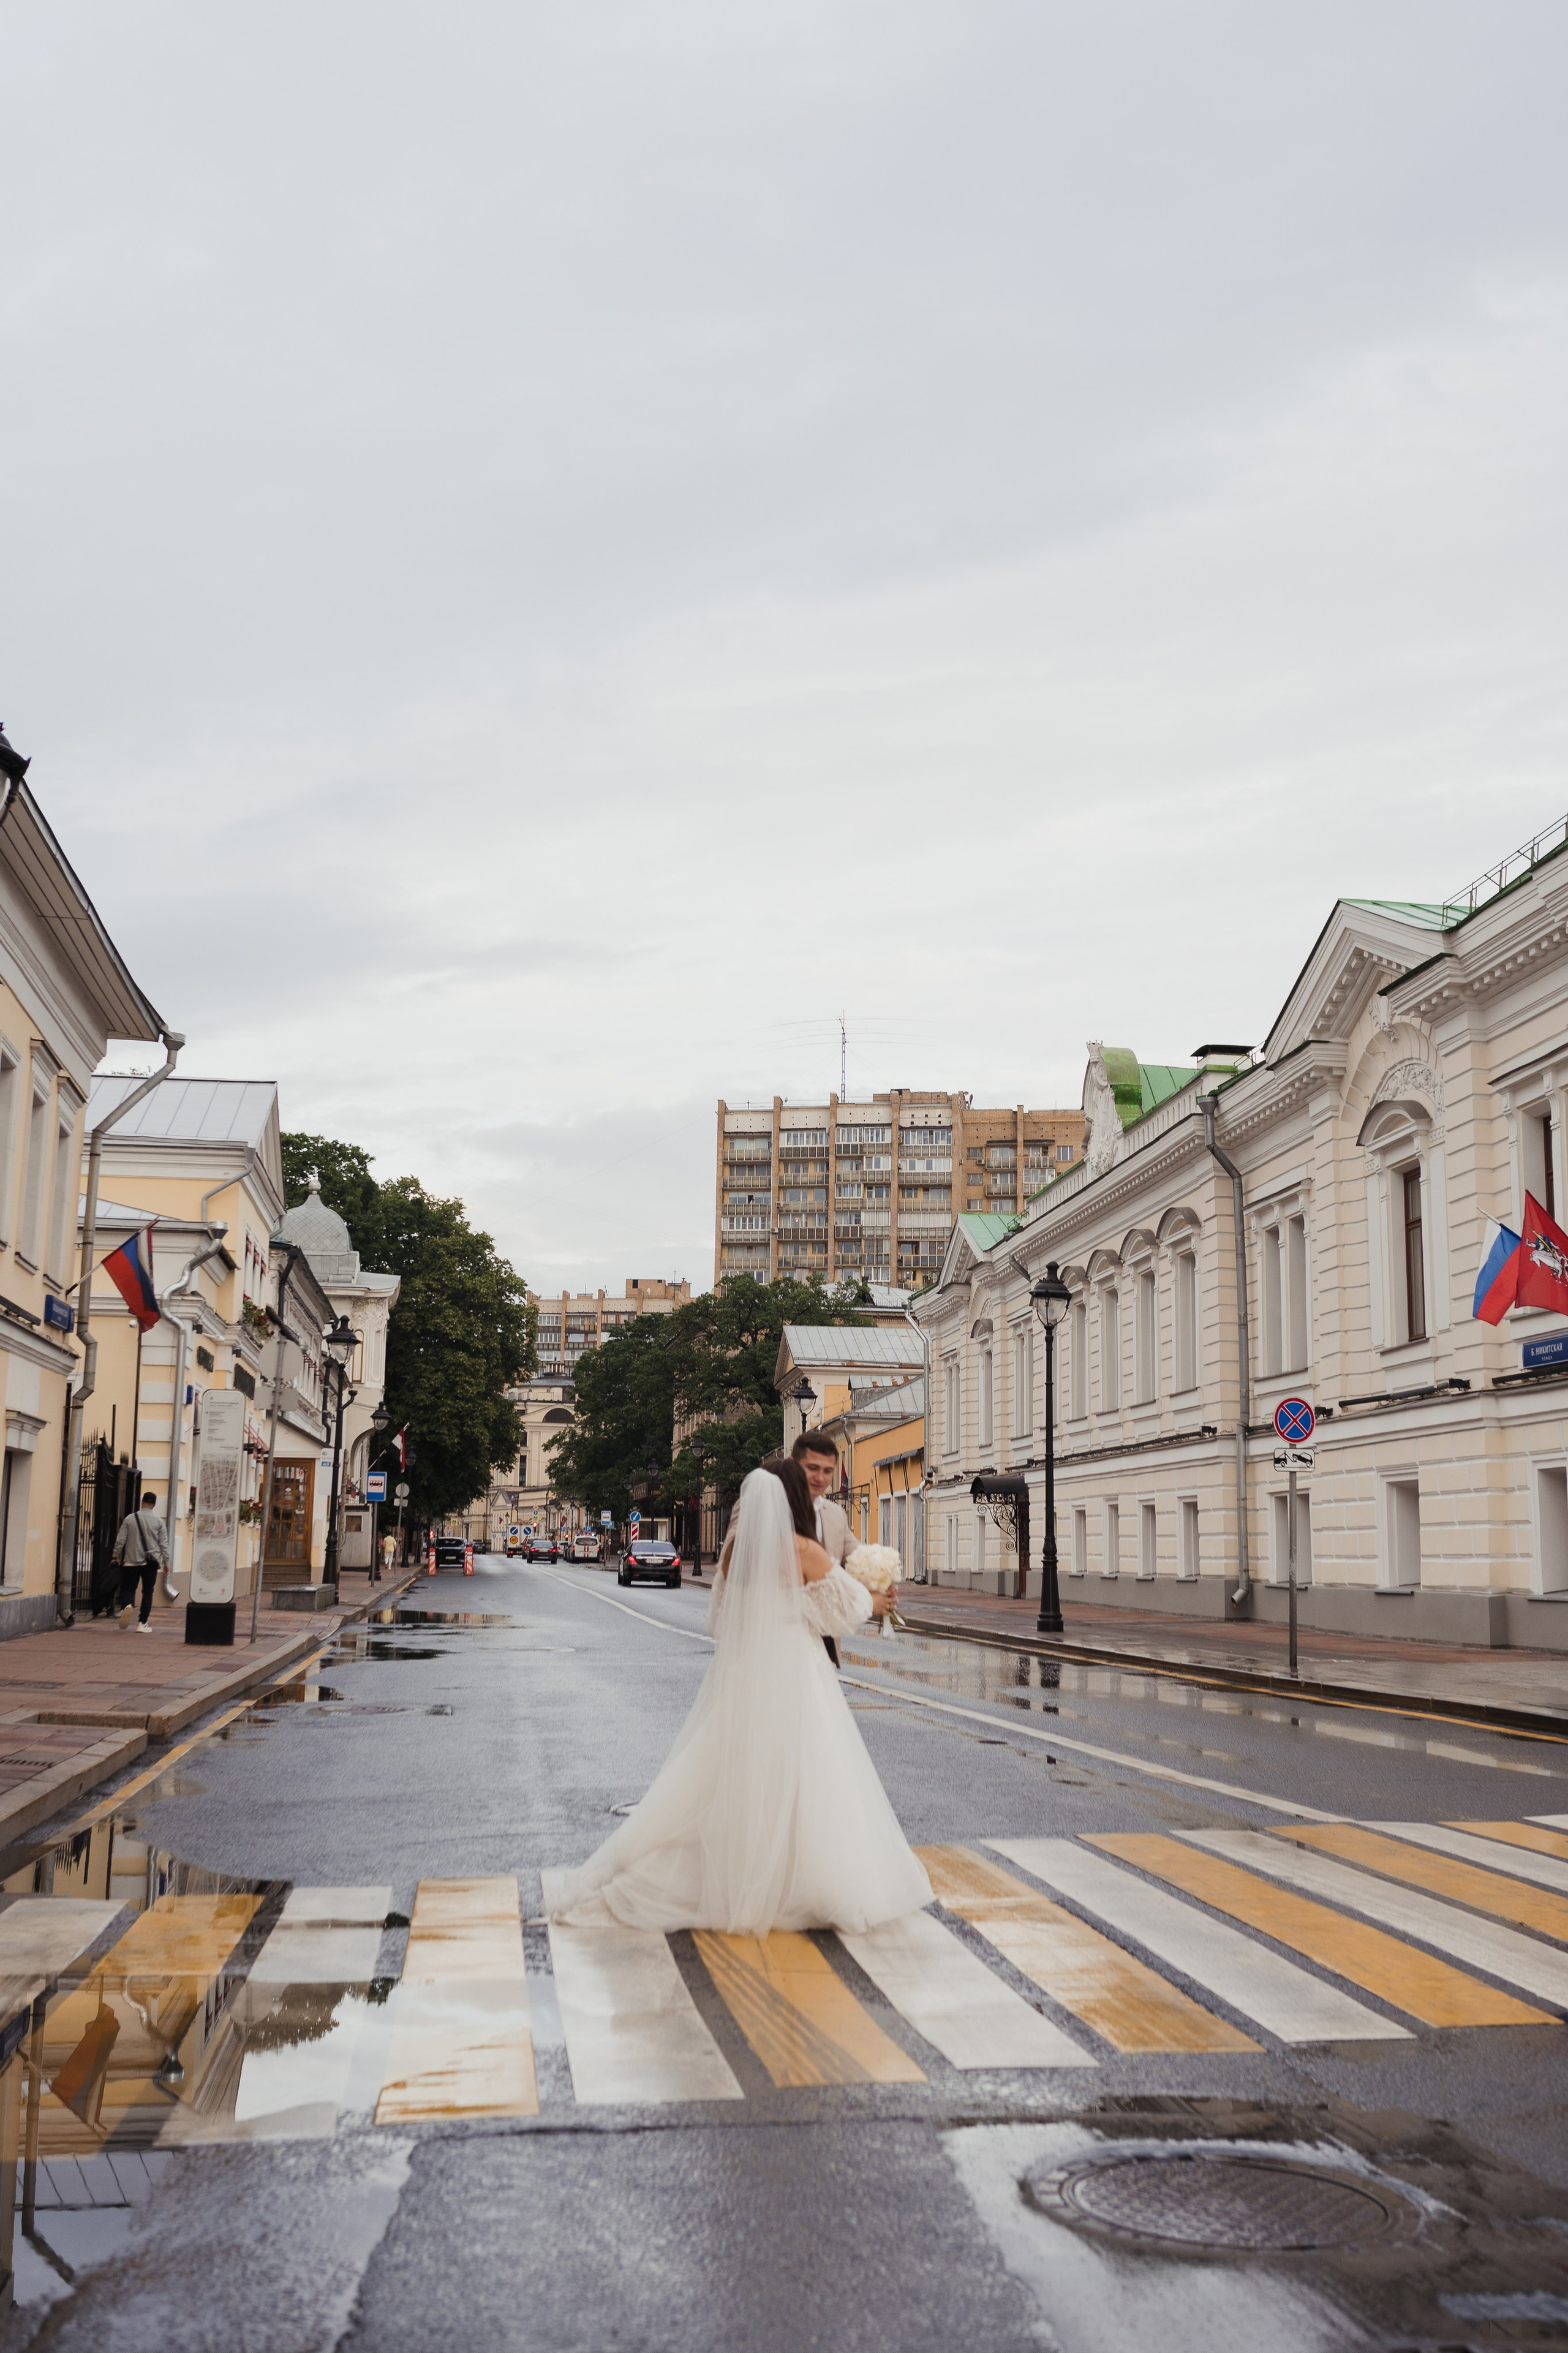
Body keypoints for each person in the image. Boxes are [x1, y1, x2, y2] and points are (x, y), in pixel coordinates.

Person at [543, 1460, 931, 1936]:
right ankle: (798, 1880)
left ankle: (722, 1873)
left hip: (744, 1668)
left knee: (733, 1772)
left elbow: (718, 1622)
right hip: (795, 1669)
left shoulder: (731, 1554)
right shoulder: (804, 1550)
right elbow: (844, 1611)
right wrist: (878, 1602)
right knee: (808, 1773)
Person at [793, 1428, 852, 1664]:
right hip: (782, 1639)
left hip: (823, 1642)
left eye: (828, 1471)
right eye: (813, 1468)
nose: (821, 1478)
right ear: (794, 1465)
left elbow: (856, 1556)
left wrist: (881, 1576)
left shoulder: (836, 1514)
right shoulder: (767, 1508)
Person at [112, 1491, 172, 1632]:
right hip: (150, 1563)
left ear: (142, 1502)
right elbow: (164, 1544)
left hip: (131, 1561)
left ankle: (127, 1605)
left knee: (129, 1588)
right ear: (154, 1505)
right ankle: (142, 1623)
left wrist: (115, 1556)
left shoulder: (130, 1519)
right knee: (148, 1592)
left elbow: (121, 1540)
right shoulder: (159, 1522)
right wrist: (167, 1563)